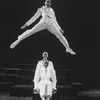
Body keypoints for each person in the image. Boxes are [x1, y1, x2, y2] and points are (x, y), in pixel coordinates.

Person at [10, 0, 76, 55]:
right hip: (43, 22)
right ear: (45, 3)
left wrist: (59, 28)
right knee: (31, 31)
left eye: (49, 2)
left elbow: (55, 20)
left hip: (51, 24)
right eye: (47, 2)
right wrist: (26, 24)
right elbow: (34, 17)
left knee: (60, 35)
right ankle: (18, 40)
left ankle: (68, 48)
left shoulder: (52, 11)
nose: (48, 3)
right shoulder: (41, 9)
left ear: (51, 3)